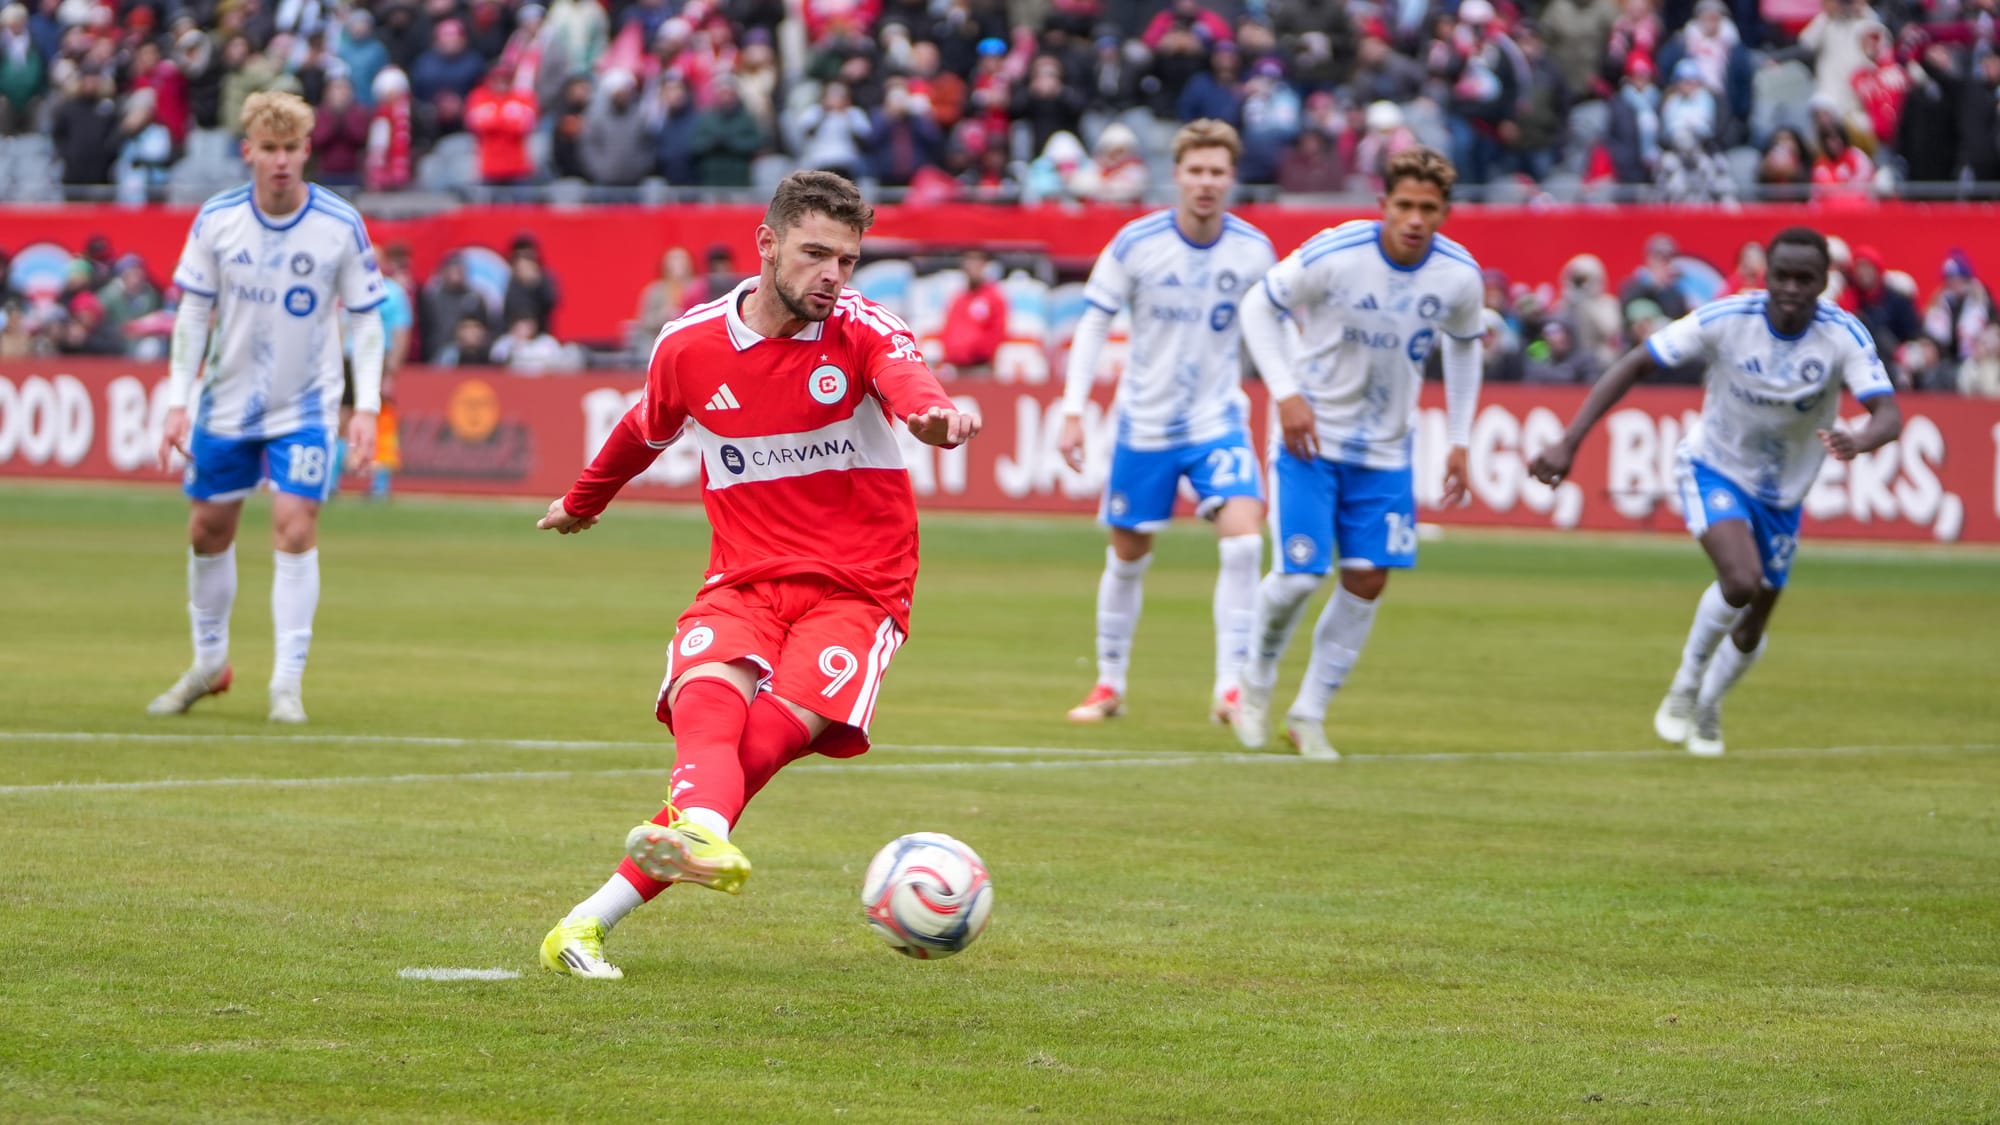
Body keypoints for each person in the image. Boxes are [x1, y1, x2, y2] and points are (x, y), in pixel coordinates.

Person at [534, 171, 981, 980]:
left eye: (847, 260)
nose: (832, 277)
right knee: (711, 693)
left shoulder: (864, 329)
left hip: (858, 591)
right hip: (743, 577)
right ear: (767, 245)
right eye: (816, 254)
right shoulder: (691, 345)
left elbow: (911, 381)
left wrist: (933, 417)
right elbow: (644, 428)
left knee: (758, 747)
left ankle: (609, 901)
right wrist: (582, 501)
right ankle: (602, 911)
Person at [1529, 227, 1901, 757]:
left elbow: (1889, 415)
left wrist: (1860, 439)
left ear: (1823, 282)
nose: (1792, 288)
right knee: (1741, 578)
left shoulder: (1843, 335)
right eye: (1782, 276)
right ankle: (1685, 683)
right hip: (1714, 466)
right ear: (1765, 276)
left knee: (1751, 628)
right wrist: (1570, 441)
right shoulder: (1728, 319)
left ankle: (1709, 702)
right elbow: (1637, 362)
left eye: (1805, 279)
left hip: (1783, 493)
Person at [1230, 146, 1485, 758]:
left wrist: (1458, 439)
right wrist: (1286, 393)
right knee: (1297, 577)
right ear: (1383, 205)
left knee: (1368, 579)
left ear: (1445, 211)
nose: (1415, 219)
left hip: (1387, 450)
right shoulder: (1335, 253)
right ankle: (1255, 679)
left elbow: (1465, 346)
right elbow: (1257, 306)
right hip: (1309, 439)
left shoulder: (1459, 276)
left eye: (1428, 207)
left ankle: (1310, 712)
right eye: (1404, 205)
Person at [147, 90, 389, 725]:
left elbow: (366, 320)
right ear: (247, 151)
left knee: (295, 524)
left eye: (291, 149)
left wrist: (365, 406)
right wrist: (178, 400)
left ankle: (286, 683)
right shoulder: (217, 219)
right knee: (207, 530)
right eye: (269, 149)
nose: (281, 161)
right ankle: (208, 663)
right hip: (225, 404)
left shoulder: (339, 223)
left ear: (307, 151)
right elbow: (193, 313)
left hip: (305, 405)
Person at [1055, 120, 1277, 726]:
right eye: (1196, 170)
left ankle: (1231, 688)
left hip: (1218, 420)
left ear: (1232, 178)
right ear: (1177, 174)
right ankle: (1109, 684)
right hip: (1145, 425)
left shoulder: (1254, 250)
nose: (1206, 182)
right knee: (1128, 556)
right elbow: (1095, 323)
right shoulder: (1136, 243)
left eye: (1217, 171)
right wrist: (1074, 409)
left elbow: (1277, 333)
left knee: (1244, 544)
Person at [939, 246, 1007, 371]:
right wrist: (951, 352)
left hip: (979, 365)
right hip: (956, 364)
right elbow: (950, 328)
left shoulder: (993, 297)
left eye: (977, 262)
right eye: (969, 261)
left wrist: (977, 353)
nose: (972, 266)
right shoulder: (959, 298)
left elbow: (997, 330)